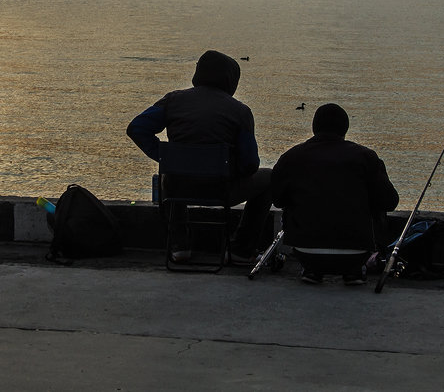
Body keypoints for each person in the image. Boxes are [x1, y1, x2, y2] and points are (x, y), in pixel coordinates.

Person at [127, 50, 272, 262]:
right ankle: (241, 249)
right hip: (223, 191)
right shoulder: (240, 112)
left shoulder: (172, 101)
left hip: (177, 188)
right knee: (269, 179)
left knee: (169, 175)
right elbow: (250, 164)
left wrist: (163, 156)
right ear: (231, 80)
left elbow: (137, 128)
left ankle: (180, 246)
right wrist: (233, 171)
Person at [271, 103, 399, 285]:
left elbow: (277, 199)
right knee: (377, 200)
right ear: (345, 128)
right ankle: (354, 270)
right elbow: (390, 202)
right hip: (358, 252)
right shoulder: (367, 157)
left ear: (314, 128)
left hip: (305, 250)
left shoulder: (291, 157)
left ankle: (312, 270)